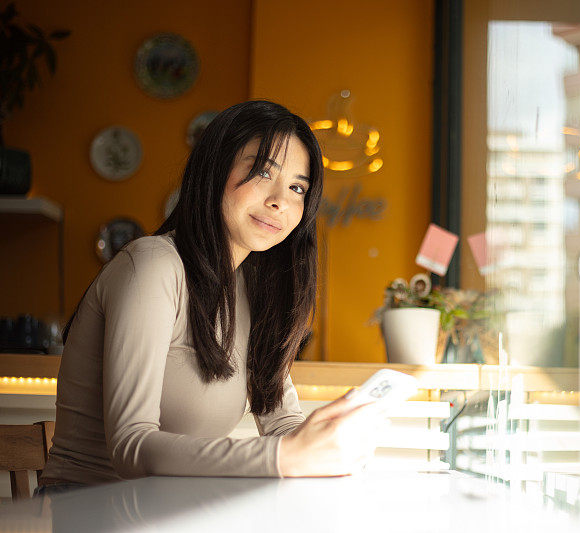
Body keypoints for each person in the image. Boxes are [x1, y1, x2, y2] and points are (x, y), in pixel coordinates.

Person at [39, 100, 385, 490]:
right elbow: (130, 448)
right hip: (90, 515)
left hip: (173, 512)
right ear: (215, 169)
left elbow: (280, 422)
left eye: (297, 187)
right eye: (261, 172)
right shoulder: (153, 266)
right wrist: (285, 457)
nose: (279, 201)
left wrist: (326, 438)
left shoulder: (255, 290)